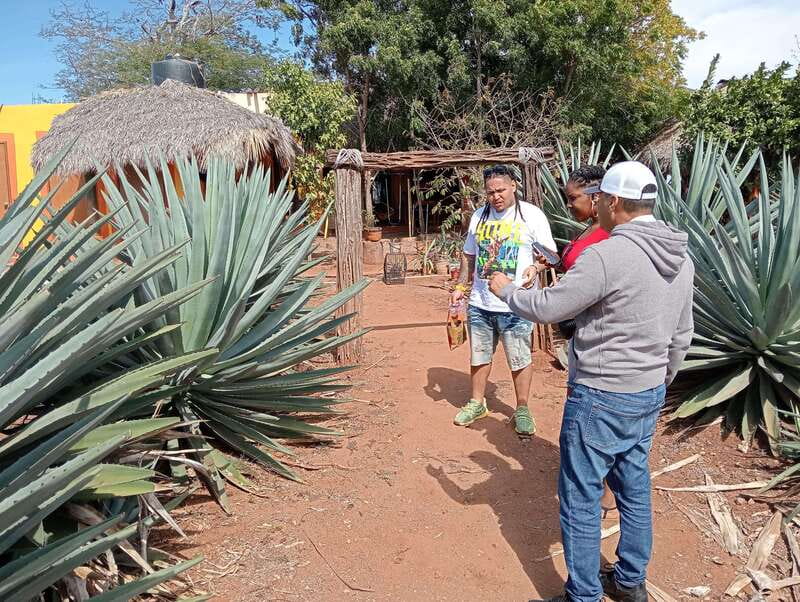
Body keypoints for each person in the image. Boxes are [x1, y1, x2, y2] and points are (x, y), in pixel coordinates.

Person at [488, 161, 694, 602]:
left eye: (600, 199)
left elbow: (549, 306)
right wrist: (659, 380)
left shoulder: (607, 255)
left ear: (613, 202)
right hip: (647, 390)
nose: (596, 205)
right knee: (633, 487)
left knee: (581, 497)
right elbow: (682, 333)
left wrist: (505, 289)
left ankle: (583, 594)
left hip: (601, 394)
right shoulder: (681, 254)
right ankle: (629, 581)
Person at [450, 164, 556, 436]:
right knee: (479, 355)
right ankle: (477, 402)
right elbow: (469, 255)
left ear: (514, 186)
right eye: (490, 192)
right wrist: (461, 285)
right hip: (481, 302)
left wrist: (537, 268)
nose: (496, 196)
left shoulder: (532, 216)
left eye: (501, 190)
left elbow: (550, 256)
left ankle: (522, 408)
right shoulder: (478, 217)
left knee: (519, 358)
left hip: (517, 302)